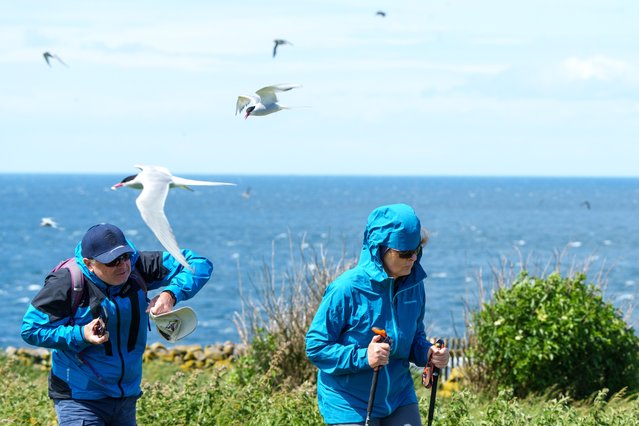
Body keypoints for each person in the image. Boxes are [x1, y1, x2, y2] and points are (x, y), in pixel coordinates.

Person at [21, 223, 213, 425]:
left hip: (126, 397)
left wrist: (171, 294)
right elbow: (31, 329)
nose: (122, 266)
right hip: (79, 398)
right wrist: (81, 334)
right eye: (112, 262)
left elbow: (198, 263)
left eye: (125, 257)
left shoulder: (137, 267)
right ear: (89, 263)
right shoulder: (67, 283)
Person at [306, 204, 450, 426]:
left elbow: (414, 339)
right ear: (379, 249)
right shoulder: (346, 289)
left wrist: (429, 353)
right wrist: (365, 357)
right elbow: (316, 347)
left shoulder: (414, 285)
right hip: (349, 403)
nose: (413, 259)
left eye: (417, 250)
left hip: (399, 396)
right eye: (405, 254)